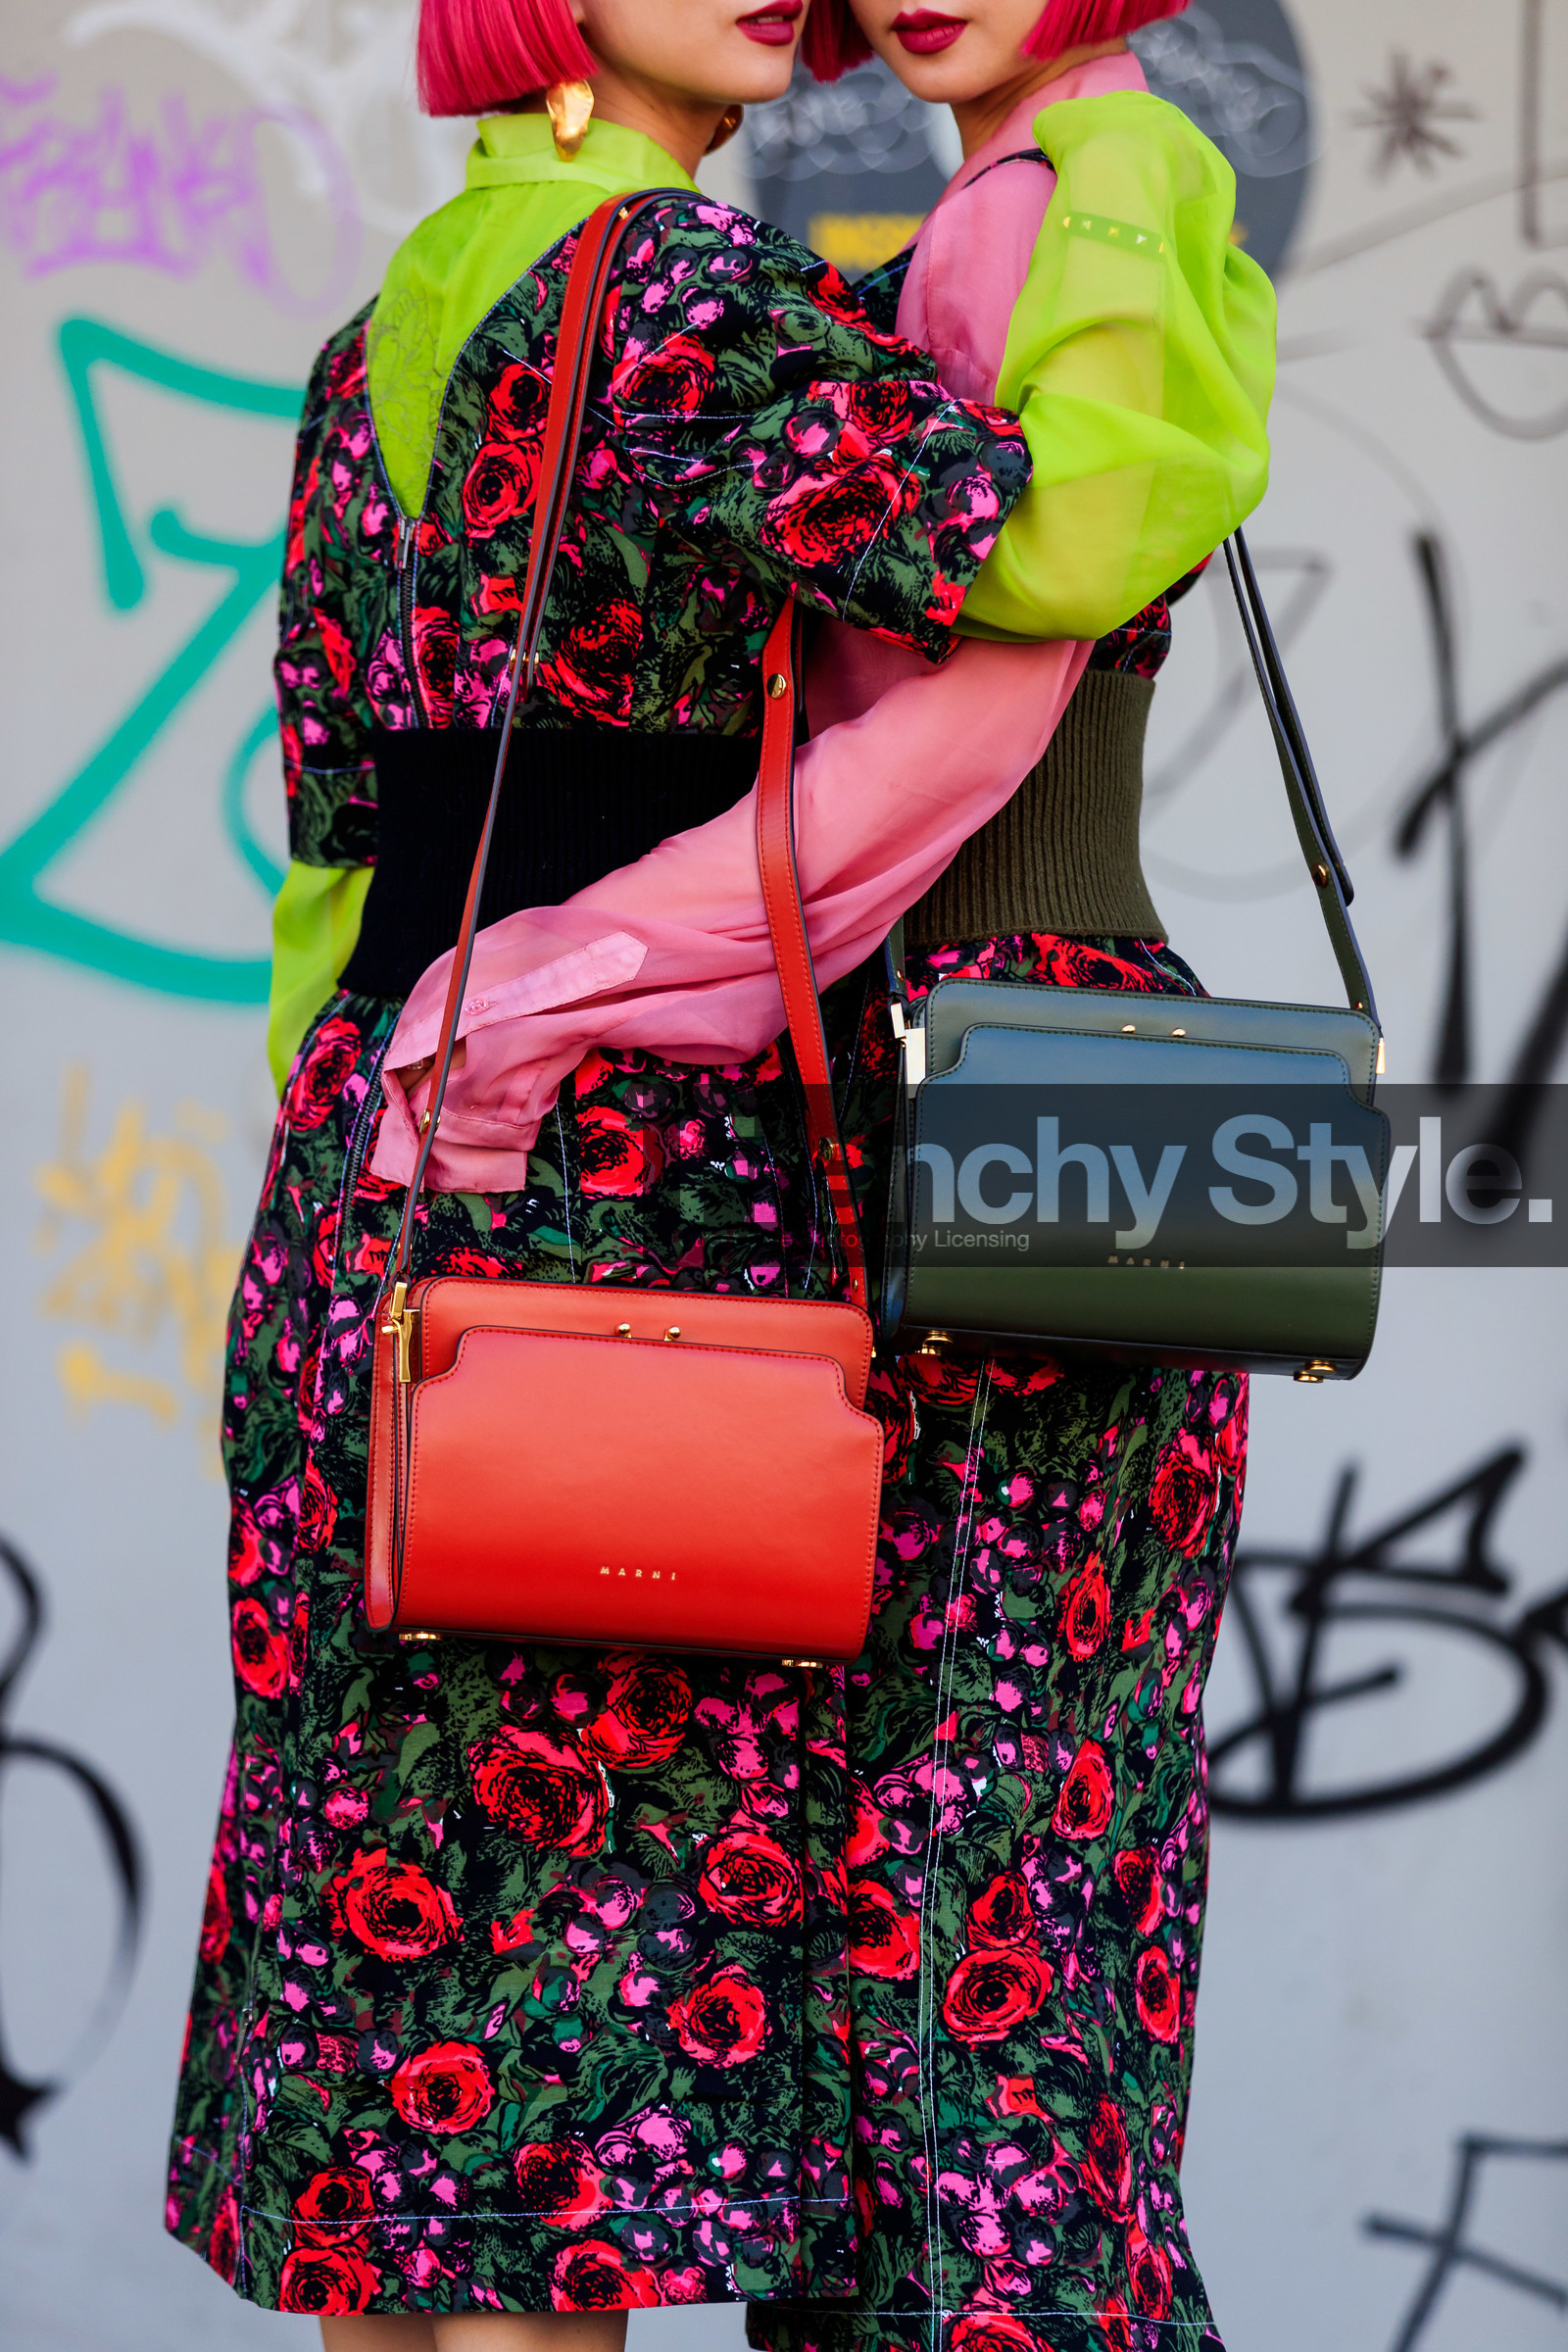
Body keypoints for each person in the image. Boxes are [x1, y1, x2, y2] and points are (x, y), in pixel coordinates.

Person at [163, 0, 1269, 2345]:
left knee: (409, 2066)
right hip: (617, 1203)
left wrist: (375, 1116)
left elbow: (333, 829)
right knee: (573, 2071)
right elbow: (1040, 532)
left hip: (372, 1174)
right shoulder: (683, 293)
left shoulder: (375, 333)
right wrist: (1123, 201)